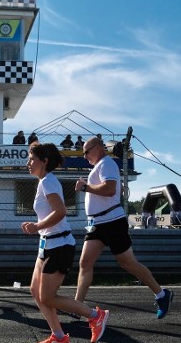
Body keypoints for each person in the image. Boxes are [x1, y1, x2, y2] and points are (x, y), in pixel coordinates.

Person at [22, 143, 110, 343]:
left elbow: (61, 211)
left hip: (59, 245)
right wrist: (39, 229)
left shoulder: (48, 182)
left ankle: (96, 316)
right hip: (47, 244)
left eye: (32, 159)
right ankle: (59, 336)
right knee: (35, 290)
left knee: (48, 297)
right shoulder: (44, 182)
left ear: (44, 162)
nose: (28, 163)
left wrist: (36, 226)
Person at [74, 136, 174, 318]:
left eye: (86, 152)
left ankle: (161, 294)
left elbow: (110, 189)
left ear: (97, 148)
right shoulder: (101, 166)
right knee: (85, 263)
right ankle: (77, 307)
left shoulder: (107, 164)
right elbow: (113, 190)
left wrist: (85, 188)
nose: (85, 156)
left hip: (111, 222)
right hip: (98, 223)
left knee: (128, 263)